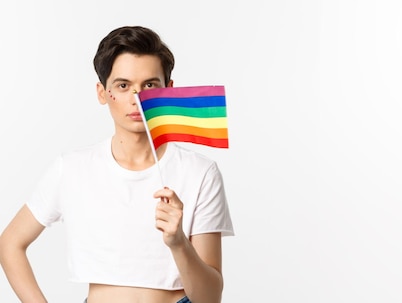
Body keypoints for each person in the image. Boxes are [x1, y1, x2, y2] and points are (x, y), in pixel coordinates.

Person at [0, 26, 234, 303]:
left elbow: (210, 298)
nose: (137, 99)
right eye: (123, 86)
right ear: (102, 92)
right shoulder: (72, 168)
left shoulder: (199, 172)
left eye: (149, 85)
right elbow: (10, 243)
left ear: (168, 91)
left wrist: (178, 243)